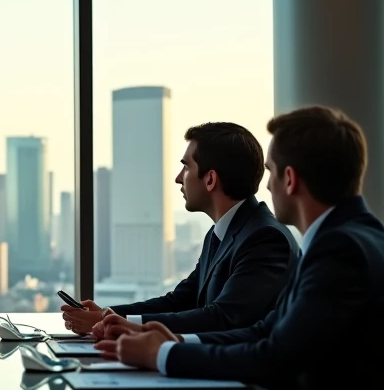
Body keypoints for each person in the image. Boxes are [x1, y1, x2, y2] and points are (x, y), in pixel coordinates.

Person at [96, 106, 384, 390]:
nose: (266, 185)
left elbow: (276, 357)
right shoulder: (341, 237)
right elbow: (266, 331)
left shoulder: (341, 248)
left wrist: (161, 355)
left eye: (271, 172)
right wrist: (174, 343)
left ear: (289, 180)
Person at [63, 122, 299, 336]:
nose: (178, 178)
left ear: (210, 179)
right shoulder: (222, 233)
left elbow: (224, 318)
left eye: (186, 167)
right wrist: (109, 314)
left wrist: (119, 324)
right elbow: (181, 300)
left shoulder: (265, 238)